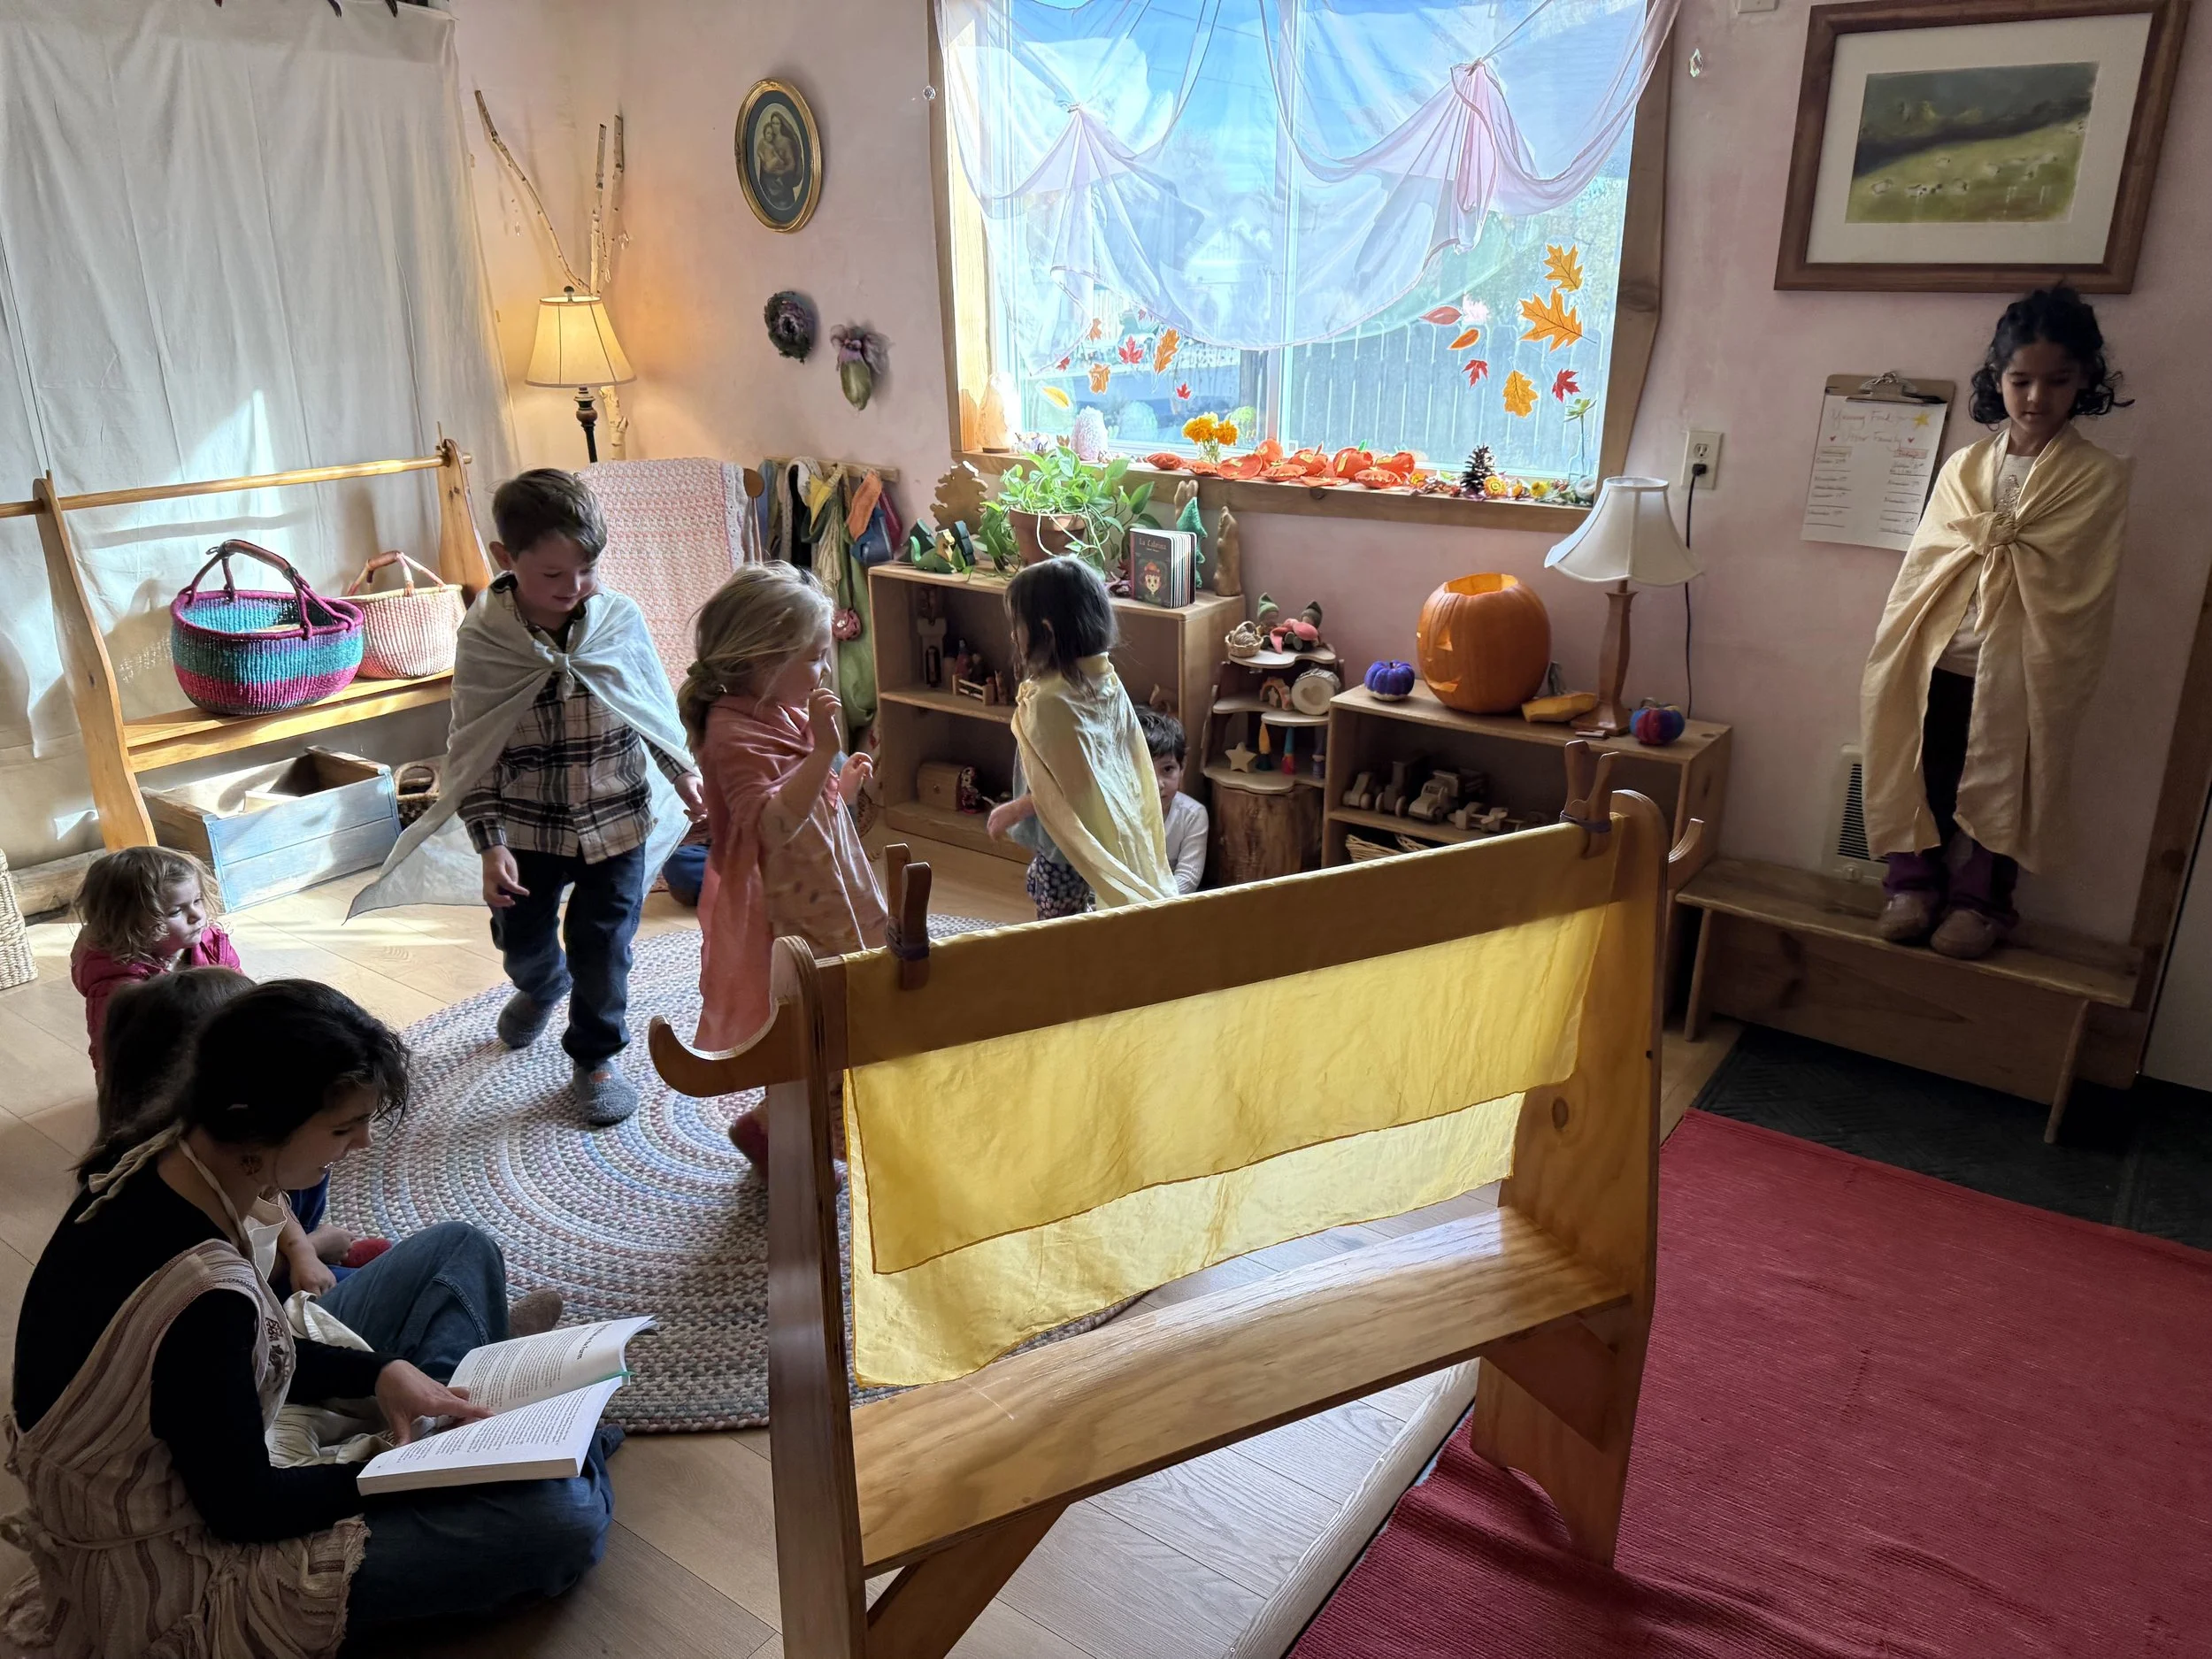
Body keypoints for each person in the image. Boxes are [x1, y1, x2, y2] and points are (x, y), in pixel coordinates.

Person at [4, 980, 610, 1655]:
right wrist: (389, 1469)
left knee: (460, 1248)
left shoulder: (162, 1153)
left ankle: (458, 1405)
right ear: (255, 1123)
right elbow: (245, 1508)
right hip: (185, 1552)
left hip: (221, 1416)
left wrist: (381, 1373)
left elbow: (243, 1359)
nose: (362, 1143)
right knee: (564, 1521)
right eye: (344, 1126)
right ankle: (500, 1424)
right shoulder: (201, 1295)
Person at [351, 469, 707, 1126]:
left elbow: (648, 707)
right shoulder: (486, 639)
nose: (574, 588)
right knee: (524, 942)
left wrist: (682, 771)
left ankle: (596, 1056)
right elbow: (474, 749)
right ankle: (543, 984)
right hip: (528, 831)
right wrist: (488, 845)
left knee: (604, 944)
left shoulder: (616, 618)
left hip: (616, 819)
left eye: (588, 568)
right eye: (553, 575)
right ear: (504, 560)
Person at [1860, 285, 2134, 961]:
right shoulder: (1965, 465)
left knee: (2008, 777)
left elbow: (2078, 577)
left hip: (2024, 661)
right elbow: (1930, 561)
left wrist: (2006, 539)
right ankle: (1913, 884)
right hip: (1943, 651)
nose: (2037, 397)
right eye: (2021, 380)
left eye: (2057, 381)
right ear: (1998, 379)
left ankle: (1982, 902)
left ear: (2085, 382)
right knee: (1924, 765)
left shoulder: (2096, 477)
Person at [679, 562, 885, 1169]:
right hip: (791, 910)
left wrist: (839, 783)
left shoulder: (785, 708)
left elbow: (807, 802)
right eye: (816, 657)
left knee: (841, 1009)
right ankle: (804, 1143)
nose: (825, 671)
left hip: (831, 884)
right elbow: (769, 824)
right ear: (764, 661)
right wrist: (823, 751)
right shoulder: (730, 732)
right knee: (811, 1027)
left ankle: (770, 1126)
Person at [95, 966, 378, 1298]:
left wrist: (301, 1247)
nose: (364, 1141)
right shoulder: (194, 1240)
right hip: (265, 1292)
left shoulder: (180, 1148)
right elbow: (245, 1274)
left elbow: (271, 1204)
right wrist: (316, 1246)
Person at [987, 558, 1176, 917]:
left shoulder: (1050, 701)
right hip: (1101, 837)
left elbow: (1071, 789)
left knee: (1060, 924)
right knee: (1077, 901)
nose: (1013, 635)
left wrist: (1014, 809)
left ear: (1046, 631)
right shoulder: (1103, 678)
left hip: (1067, 847)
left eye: (1018, 626)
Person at [69, 846, 242, 1073]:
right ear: (129, 923)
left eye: (197, 900)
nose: (197, 915)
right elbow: (115, 1059)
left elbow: (244, 997)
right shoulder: (119, 987)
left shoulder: (211, 944)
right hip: (162, 1073)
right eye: (175, 912)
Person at [1138, 707, 1209, 895]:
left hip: (1169, 905)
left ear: (1182, 767)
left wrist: (1154, 906)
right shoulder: (1116, 813)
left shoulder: (1192, 815)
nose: (1158, 784)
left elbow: (1188, 878)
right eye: (1145, 771)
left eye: (1167, 769)